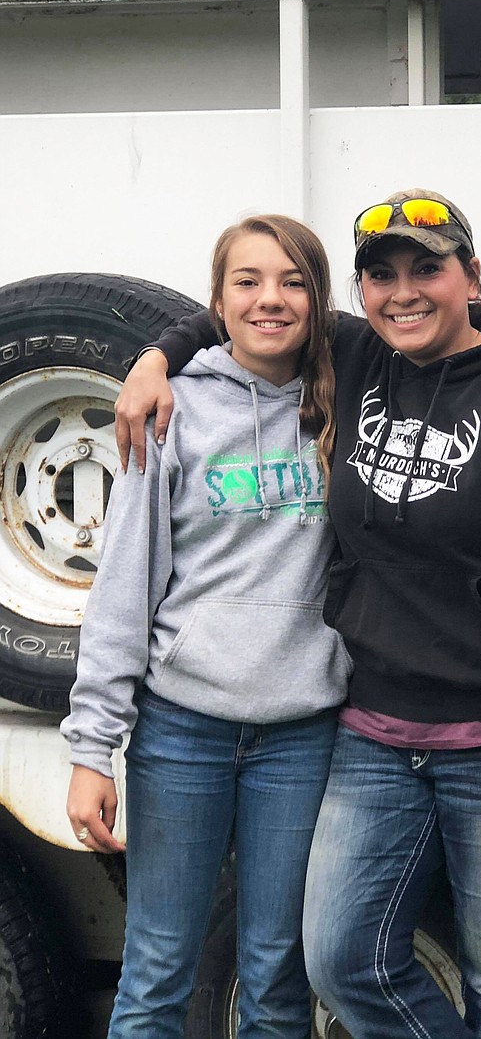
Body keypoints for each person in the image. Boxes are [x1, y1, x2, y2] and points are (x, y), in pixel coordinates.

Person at [115, 189, 481, 1039]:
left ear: (471, 276)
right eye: (381, 275)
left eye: (426, 269)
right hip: (372, 735)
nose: (403, 292)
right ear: (359, 294)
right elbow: (251, 313)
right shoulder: (360, 356)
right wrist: (155, 357)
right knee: (338, 960)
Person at [64, 215, 351, 1038]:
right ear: (217, 303)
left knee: (276, 972)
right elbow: (125, 584)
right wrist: (93, 748)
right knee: (157, 966)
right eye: (248, 282)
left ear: (319, 300)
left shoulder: (348, 400)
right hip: (182, 729)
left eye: (293, 281)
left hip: (301, 733)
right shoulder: (171, 410)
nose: (271, 300)